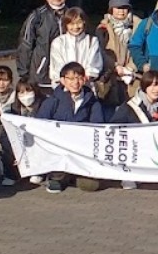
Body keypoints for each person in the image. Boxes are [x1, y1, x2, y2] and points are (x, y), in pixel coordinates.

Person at [37, 61, 107, 194]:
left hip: (82, 150)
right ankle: (57, 175)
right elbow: (41, 124)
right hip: (58, 150)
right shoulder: (53, 100)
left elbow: (98, 125)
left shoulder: (91, 101)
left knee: (90, 185)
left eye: (79, 78)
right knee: (55, 185)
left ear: (84, 79)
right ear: (62, 80)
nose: (75, 82)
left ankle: (73, 175)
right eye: (70, 78)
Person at [16, 0, 68, 94]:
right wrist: (24, 73)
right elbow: (26, 43)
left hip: (68, 74)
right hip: (42, 74)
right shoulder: (37, 16)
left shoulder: (72, 15)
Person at [96, 0, 138, 104]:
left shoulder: (138, 27)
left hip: (131, 74)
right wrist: (115, 66)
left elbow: (141, 49)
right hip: (110, 75)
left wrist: (130, 68)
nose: (121, 11)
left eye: (124, 8)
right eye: (117, 8)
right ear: (111, 10)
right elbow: (101, 51)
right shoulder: (103, 28)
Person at [48, 7, 104, 87]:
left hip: (85, 85)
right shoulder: (58, 42)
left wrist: (82, 78)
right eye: (71, 24)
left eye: (79, 22)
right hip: (64, 87)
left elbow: (94, 64)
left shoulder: (92, 41)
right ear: (66, 25)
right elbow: (57, 66)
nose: (75, 27)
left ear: (84, 22)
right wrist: (69, 81)